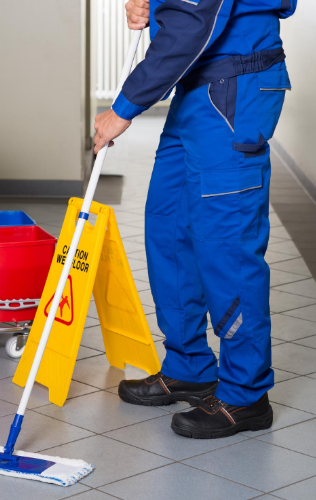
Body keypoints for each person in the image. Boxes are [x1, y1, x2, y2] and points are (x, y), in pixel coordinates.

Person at [93, 0, 297, 439]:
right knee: (169, 230)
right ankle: (189, 367)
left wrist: (122, 109)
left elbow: (192, 24)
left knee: (226, 245)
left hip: (234, 91)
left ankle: (246, 394)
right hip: (197, 88)